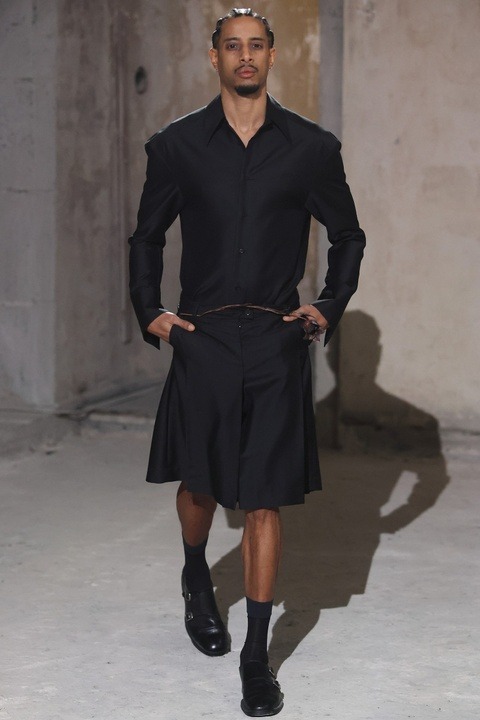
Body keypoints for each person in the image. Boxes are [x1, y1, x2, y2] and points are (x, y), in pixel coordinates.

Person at [129, 8, 365, 717]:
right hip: (201, 336)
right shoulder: (177, 146)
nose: (244, 57)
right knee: (200, 482)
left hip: (273, 337)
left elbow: (348, 235)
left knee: (264, 496)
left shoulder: (311, 148)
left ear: (271, 54)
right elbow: (146, 237)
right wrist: (151, 311)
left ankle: (256, 658)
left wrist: (327, 305)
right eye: (232, 46)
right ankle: (195, 572)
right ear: (214, 58)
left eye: (255, 45)